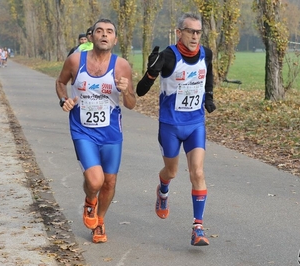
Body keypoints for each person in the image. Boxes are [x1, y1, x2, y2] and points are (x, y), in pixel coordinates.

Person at [136, 12, 216, 246]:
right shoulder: (168, 57)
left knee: (198, 173)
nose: (195, 36)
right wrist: (150, 73)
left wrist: (208, 96)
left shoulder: (206, 53)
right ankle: (163, 190)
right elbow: (141, 91)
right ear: (179, 32)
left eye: (198, 32)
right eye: (190, 31)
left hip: (195, 124)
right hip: (170, 126)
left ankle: (198, 228)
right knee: (171, 172)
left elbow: (208, 74)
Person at [55, 18, 136, 243]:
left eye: (109, 32)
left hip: (111, 132)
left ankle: (99, 221)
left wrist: (126, 90)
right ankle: (90, 200)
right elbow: (60, 83)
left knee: (109, 182)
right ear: (91, 37)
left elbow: (131, 103)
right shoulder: (74, 60)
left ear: (115, 39)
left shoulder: (122, 66)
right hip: (83, 130)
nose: (104, 35)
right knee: (95, 181)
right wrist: (64, 100)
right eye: (99, 31)